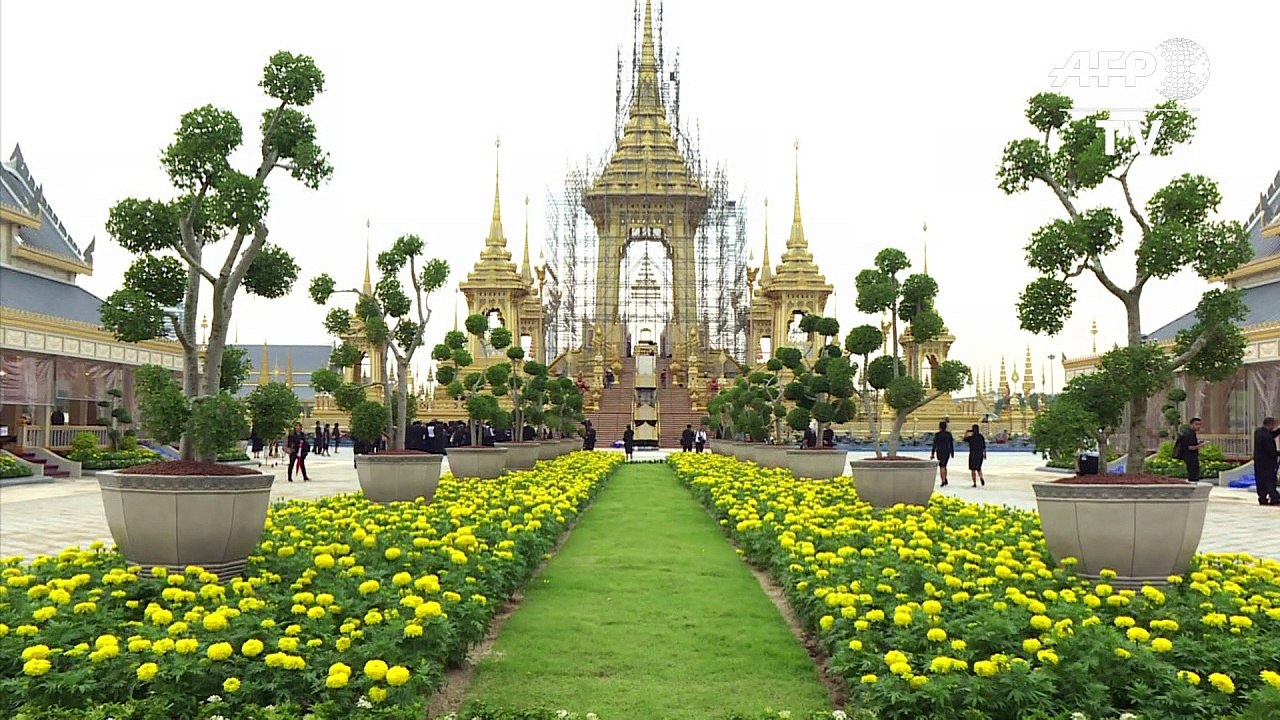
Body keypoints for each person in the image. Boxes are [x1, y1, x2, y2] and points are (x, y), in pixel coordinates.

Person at [1252, 417, 1280, 506]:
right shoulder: (1266, 437)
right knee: (1269, 480)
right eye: (1273, 425)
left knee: (1261, 481)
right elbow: (1271, 452)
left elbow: (1271, 434)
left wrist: (1278, 431)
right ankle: (1274, 498)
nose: (1274, 427)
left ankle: (1262, 498)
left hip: (1259, 463)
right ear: (1270, 424)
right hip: (1268, 463)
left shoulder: (1259, 432)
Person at [1174, 417, 1205, 483]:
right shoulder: (1189, 434)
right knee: (1193, 473)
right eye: (1196, 424)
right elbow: (1190, 447)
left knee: (1193, 472)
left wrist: (1198, 443)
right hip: (1190, 456)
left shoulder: (1190, 433)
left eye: (1199, 424)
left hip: (1190, 456)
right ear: (1191, 424)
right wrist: (1200, 446)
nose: (1198, 426)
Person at [931, 420, 955, 487]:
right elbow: (951, 444)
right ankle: (945, 478)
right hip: (946, 451)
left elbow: (934, 444)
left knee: (942, 466)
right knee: (945, 465)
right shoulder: (948, 434)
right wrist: (952, 452)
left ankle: (943, 480)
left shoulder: (937, 435)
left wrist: (932, 453)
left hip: (940, 451)